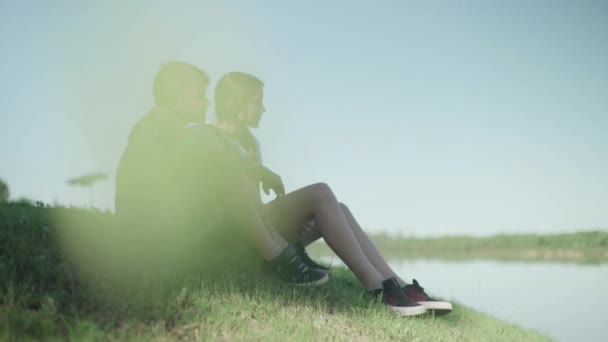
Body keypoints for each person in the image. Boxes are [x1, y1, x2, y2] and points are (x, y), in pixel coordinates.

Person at [212, 71, 453, 316]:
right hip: (229, 237)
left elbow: (254, 206)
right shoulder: (211, 137)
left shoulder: (250, 143)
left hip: (260, 227)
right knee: (320, 193)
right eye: (257, 101)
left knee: (341, 209)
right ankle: (377, 288)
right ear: (234, 102)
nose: (263, 109)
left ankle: (398, 284)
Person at [114, 61, 328, 285]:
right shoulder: (159, 124)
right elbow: (209, 159)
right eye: (198, 97)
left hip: (158, 225)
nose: (206, 102)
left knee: (226, 173)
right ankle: (277, 259)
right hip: (146, 231)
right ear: (175, 98)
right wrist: (258, 170)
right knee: (225, 175)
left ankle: (282, 254)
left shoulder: (169, 126)